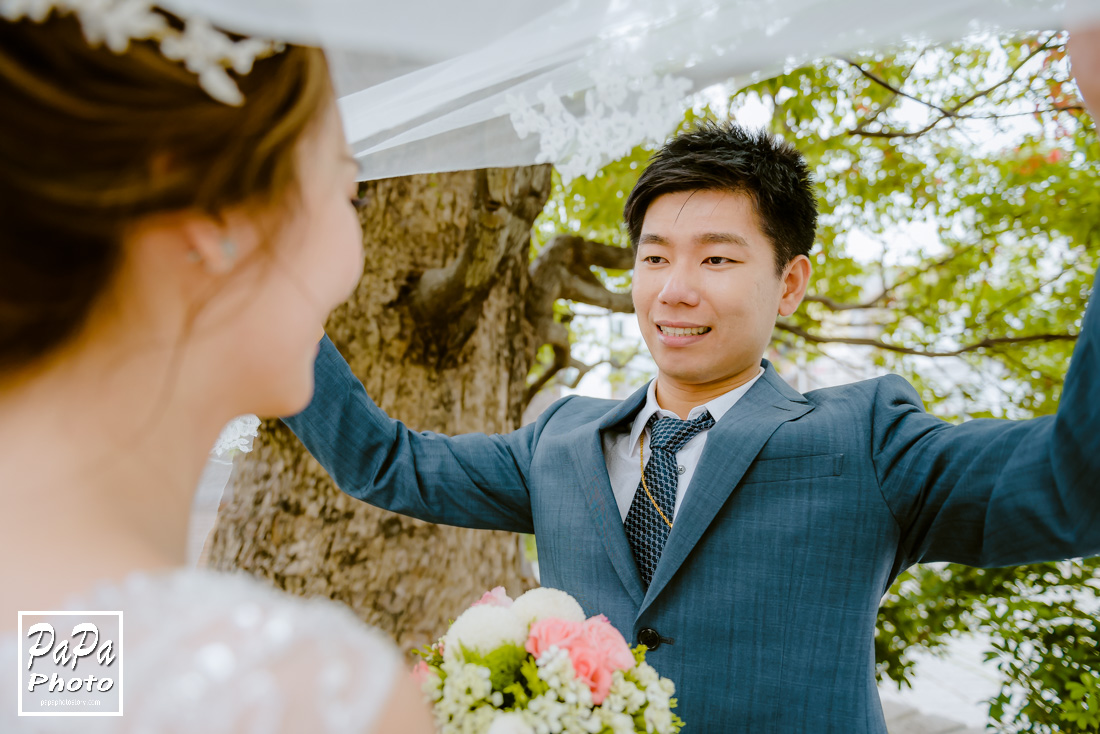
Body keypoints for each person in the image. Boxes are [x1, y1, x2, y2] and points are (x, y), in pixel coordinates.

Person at [283, 25, 1100, 734]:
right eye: (654, 258)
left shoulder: (868, 439)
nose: (674, 290)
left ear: (790, 283)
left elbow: (1073, 490)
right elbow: (384, 462)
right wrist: (271, 297)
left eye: (716, 259)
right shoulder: (559, 440)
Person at [0, 5, 432, 733]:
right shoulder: (294, 692)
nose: (353, 255)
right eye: (348, 191)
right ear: (216, 212)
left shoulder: (71, 638)